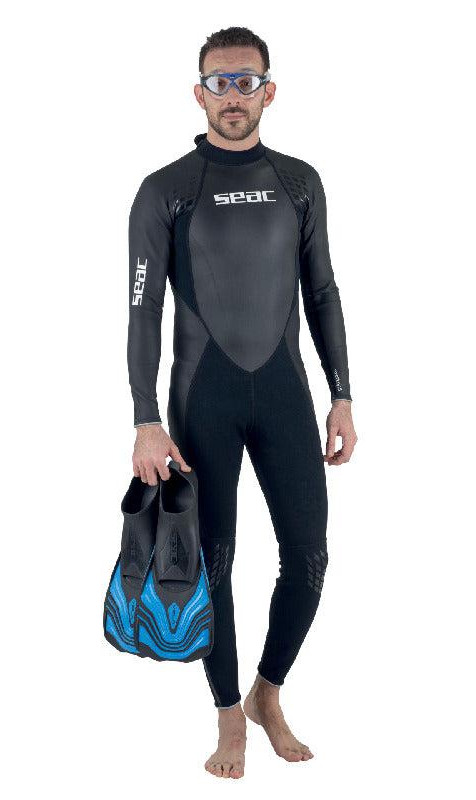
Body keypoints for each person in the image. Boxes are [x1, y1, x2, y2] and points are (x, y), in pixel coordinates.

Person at [126, 26, 358, 779]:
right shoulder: (165, 188)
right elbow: (142, 308)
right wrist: (145, 418)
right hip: (202, 400)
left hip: (287, 393)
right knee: (214, 565)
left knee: (310, 557)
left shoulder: (300, 182)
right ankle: (229, 715)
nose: (234, 95)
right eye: (220, 82)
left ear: (269, 90)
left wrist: (342, 396)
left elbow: (323, 292)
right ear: (199, 93)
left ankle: (267, 692)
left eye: (246, 81)